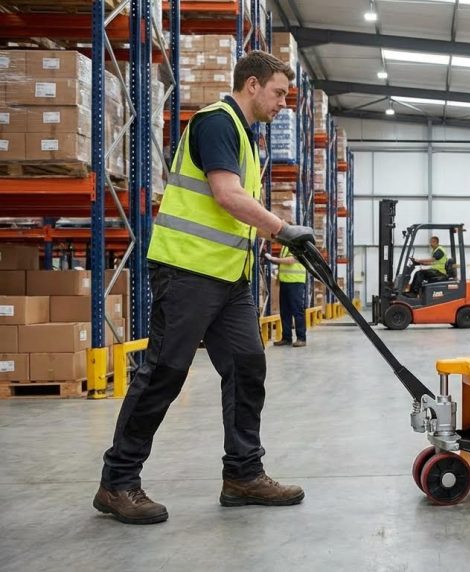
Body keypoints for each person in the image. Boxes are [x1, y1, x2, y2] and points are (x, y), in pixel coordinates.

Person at [94, 51, 315, 525]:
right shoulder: (218, 122)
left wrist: (267, 246)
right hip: (188, 272)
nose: (283, 103)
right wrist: (282, 228)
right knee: (164, 373)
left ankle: (242, 474)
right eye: (279, 93)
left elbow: (234, 215)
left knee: (247, 365)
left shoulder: (246, 138)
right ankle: (117, 482)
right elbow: (225, 195)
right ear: (252, 85)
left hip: (229, 278)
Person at [264, 242, 307, 347]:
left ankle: (301, 338)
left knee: (297, 311)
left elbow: (291, 261)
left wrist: (273, 259)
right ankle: (286, 338)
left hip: (296, 282)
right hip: (285, 282)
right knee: (285, 311)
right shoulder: (285, 246)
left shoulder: (298, 245)